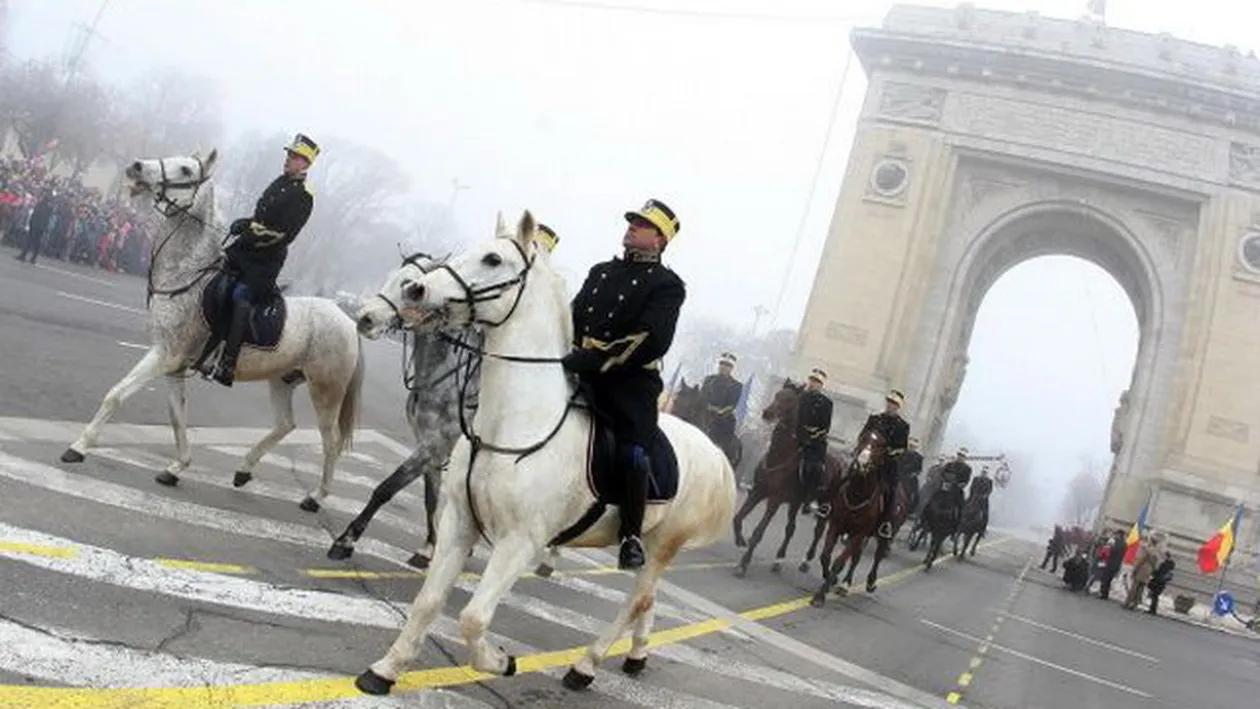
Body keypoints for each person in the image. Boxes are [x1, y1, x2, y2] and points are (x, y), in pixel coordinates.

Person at [562, 199, 685, 570]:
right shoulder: (601, 272)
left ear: (660, 239)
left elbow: (650, 339)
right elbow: (572, 317)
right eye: (632, 221)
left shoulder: (667, 285)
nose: (632, 226)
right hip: (579, 367)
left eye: (642, 224)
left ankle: (630, 533)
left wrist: (593, 359)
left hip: (628, 383)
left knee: (633, 451)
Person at [199, 133, 318, 387]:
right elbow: (261, 217)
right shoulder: (279, 182)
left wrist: (250, 232)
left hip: (266, 259)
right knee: (215, 280)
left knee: (241, 296)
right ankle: (204, 343)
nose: (288, 159)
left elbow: (283, 234)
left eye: (295, 156)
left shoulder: (304, 195)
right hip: (246, 250)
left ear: (306, 163)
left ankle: (228, 364)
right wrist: (245, 223)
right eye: (289, 154)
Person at [854, 390, 911, 538]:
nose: (890, 406)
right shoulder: (875, 419)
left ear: (898, 407)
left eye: (894, 404)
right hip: (868, 459)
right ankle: (829, 504)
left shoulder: (902, 426)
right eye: (889, 402)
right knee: (849, 475)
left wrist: (886, 453)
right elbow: (863, 435)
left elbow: (902, 449)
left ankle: (885, 523)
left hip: (886, 465)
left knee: (891, 492)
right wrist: (861, 450)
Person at [797, 368, 834, 516]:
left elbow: (825, 427)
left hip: (815, 442)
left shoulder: (826, 403)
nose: (813, 383)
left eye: (816, 382)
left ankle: (809, 498)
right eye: (811, 380)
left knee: (816, 468)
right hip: (798, 436)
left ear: (821, 385)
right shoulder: (801, 397)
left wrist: (810, 436)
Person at [700, 352, 742, 448]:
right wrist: (706, 406)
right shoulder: (709, 379)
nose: (723, 367)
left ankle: (723, 448)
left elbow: (732, 405)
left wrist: (719, 411)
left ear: (731, 368)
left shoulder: (736, 385)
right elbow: (702, 395)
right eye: (722, 363)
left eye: (727, 365)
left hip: (722, 416)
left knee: (728, 425)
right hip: (705, 411)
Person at [938, 447, 973, 526]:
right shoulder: (949, 465)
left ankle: (958, 525)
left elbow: (966, 480)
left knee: (961, 506)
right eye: (959, 455)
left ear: (965, 458)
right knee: (932, 497)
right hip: (946, 487)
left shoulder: (967, 468)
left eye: (963, 456)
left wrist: (961, 485)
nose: (960, 457)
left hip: (956, 490)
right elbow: (942, 474)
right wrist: (944, 481)